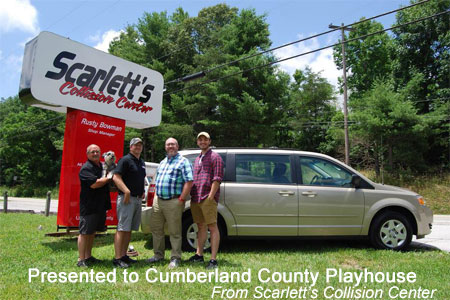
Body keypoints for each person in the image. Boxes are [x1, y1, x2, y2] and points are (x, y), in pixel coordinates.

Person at [147, 137, 193, 269]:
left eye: (173, 144)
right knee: (156, 229)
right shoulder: (162, 162)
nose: (170, 146)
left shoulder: (183, 162)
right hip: (158, 200)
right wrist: (155, 196)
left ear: (177, 146)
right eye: (168, 144)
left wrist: (182, 199)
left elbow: (189, 181)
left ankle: (175, 258)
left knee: (175, 232)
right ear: (165, 147)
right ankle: (158, 255)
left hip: (174, 200)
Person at [189, 132, 224, 269]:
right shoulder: (198, 158)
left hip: (207, 198)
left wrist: (210, 197)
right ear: (197, 142)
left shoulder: (215, 157)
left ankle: (213, 260)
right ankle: (199, 255)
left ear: (209, 141)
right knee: (200, 226)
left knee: (212, 227)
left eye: (205, 139)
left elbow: (217, 178)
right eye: (200, 140)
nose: (202, 142)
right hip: (196, 198)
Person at [112, 137, 146, 268]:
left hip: (137, 199)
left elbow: (141, 178)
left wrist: (142, 190)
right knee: (122, 228)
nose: (138, 147)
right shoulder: (125, 160)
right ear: (130, 147)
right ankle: (117, 258)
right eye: (135, 145)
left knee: (129, 229)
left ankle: (124, 255)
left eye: (140, 145)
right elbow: (116, 177)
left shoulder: (140, 162)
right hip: (127, 198)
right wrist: (126, 191)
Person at [77, 144, 112, 267]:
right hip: (89, 206)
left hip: (100, 205)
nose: (95, 153)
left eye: (97, 151)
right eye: (92, 152)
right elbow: (95, 184)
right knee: (84, 233)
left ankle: (88, 256)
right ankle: (81, 260)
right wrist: (109, 177)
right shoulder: (86, 169)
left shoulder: (101, 166)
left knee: (92, 233)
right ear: (87, 154)